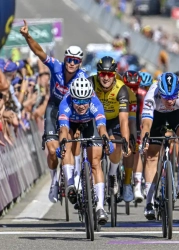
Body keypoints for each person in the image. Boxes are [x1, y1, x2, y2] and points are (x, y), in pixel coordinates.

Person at [20, 19, 87, 203]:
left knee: (72, 145)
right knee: (52, 151)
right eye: (69, 60)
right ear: (65, 59)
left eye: (76, 61)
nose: (71, 63)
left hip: (73, 113)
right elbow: (39, 52)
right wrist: (28, 36)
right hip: (54, 109)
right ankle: (55, 181)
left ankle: (75, 179)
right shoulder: (56, 67)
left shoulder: (82, 78)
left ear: (79, 63)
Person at [140, 72, 179, 220]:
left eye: (173, 97)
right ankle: (149, 202)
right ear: (160, 92)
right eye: (166, 97)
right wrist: (144, 140)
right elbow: (146, 124)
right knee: (151, 154)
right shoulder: (152, 94)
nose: (170, 101)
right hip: (156, 116)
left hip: (175, 115)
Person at [57, 77, 113, 225]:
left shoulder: (95, 103)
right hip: (71, 125)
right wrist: (61, 144)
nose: (81, 105)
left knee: (95, 162)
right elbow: (63, 129)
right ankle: (70, 183)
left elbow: (101, 127)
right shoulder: (65, 104)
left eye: (84, 101)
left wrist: (106, 140)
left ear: (90, 97)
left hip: (89, 125)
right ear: (72, 98)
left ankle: (100, 207)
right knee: (66, 143)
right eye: (78, 101)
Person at [88, 56, 131, 196]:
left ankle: (112, 174)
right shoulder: (91, 83)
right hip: (94, 120)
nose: (106, 78)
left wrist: (125, 140)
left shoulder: (121, 89)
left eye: (109, 75)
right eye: (102, 74)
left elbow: (124, 120)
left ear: (114, 75)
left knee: (116, 144)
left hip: (114, 121)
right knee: (94, 150)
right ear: (97, 74)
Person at [122, 70, 146, 203]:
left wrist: (140, 137)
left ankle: (137, 185)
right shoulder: (120, 92)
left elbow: (141, 118)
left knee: (135, 151)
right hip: (120, 120)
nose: (132, 91)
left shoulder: (141, 95)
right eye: (129, 88)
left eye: (134, 88)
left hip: (135, 121)